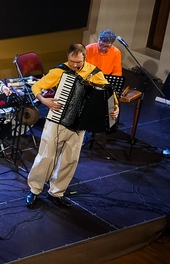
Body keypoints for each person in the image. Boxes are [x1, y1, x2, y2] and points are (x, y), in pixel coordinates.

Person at [25, 44, 119, 209]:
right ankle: (34, 190)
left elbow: (109, 92)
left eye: (78, 62)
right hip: (56, 120)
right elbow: (36, 86)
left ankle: (57, 192)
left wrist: (115, 106)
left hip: (80, 124)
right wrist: (44, 100)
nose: (74, 65)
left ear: (85, 58)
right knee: (46, 157)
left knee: (70, 159)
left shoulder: (94, 73)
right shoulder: (60, 71)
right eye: (71, 61)